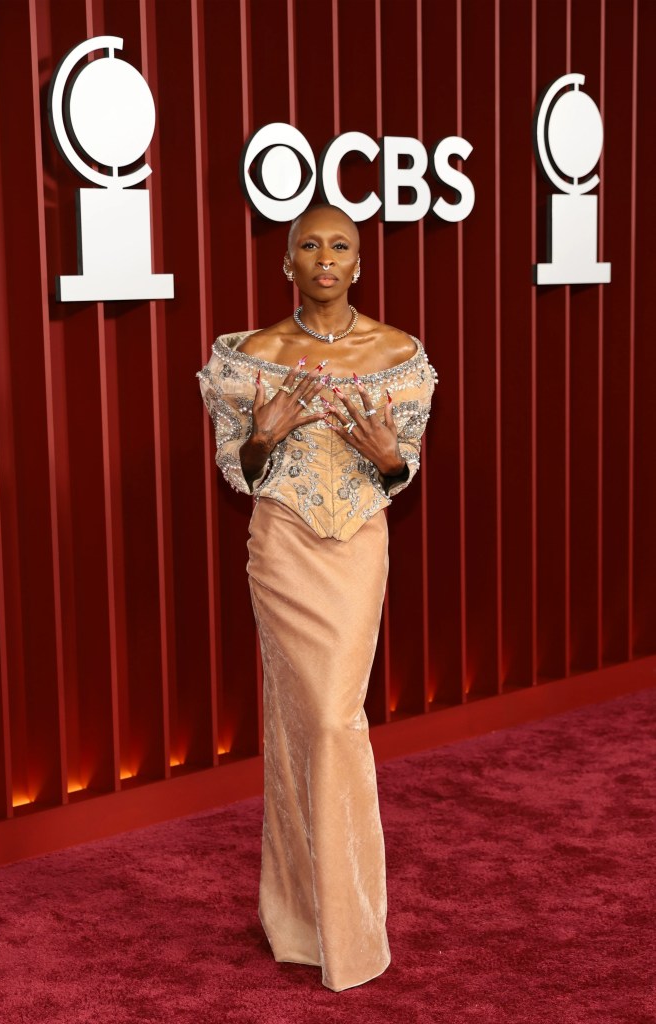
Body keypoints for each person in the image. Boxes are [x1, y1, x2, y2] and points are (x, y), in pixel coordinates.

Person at [197, 203, 438, 992]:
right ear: (288, 263)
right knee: (297, 724)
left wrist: (390, 458)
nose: (325, 257)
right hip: (282, 553)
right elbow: (238, 470)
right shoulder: (251, 357)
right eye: (309, 244)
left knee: (333, 721)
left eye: (340, 245)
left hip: (357, 547)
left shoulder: (398, 354)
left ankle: (349, 927)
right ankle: (301, 922)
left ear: (358, 264)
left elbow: (400, 470)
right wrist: (261, 436)